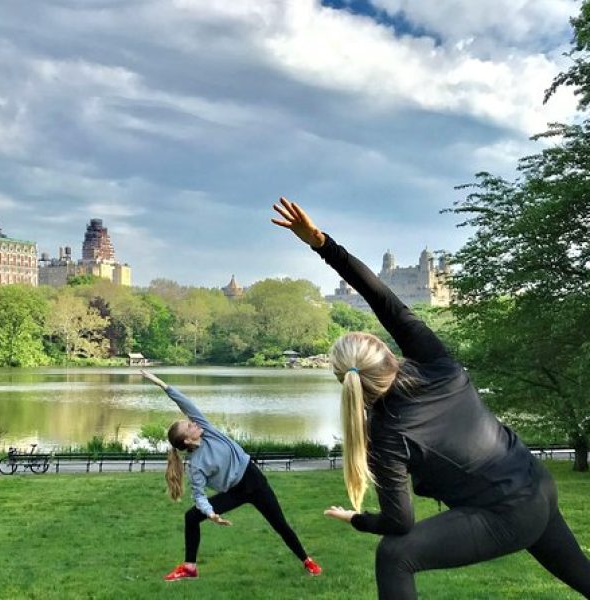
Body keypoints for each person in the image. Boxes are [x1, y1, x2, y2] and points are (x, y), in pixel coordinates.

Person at [272, 197, 590, 599]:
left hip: (508, 512)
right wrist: (320, 242)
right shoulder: (438, 365)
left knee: (395, 555)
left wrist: (358, 520)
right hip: (536, 485)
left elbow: (399, 523)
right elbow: (382, 298)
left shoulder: (385, 434)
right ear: (384, 350)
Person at [140, 369, 322, 581]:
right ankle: (189, 567)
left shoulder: (207, 429)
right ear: (188, 441)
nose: (194, 423)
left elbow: (185, 403)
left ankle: (307, 561)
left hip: (253, 480)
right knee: (191, 516)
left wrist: (160, 383)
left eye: (191, 421)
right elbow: (198, 495)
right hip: (235, 492)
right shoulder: (197, 465)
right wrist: (210, 513)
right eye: (189, 426)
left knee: (279, 523)